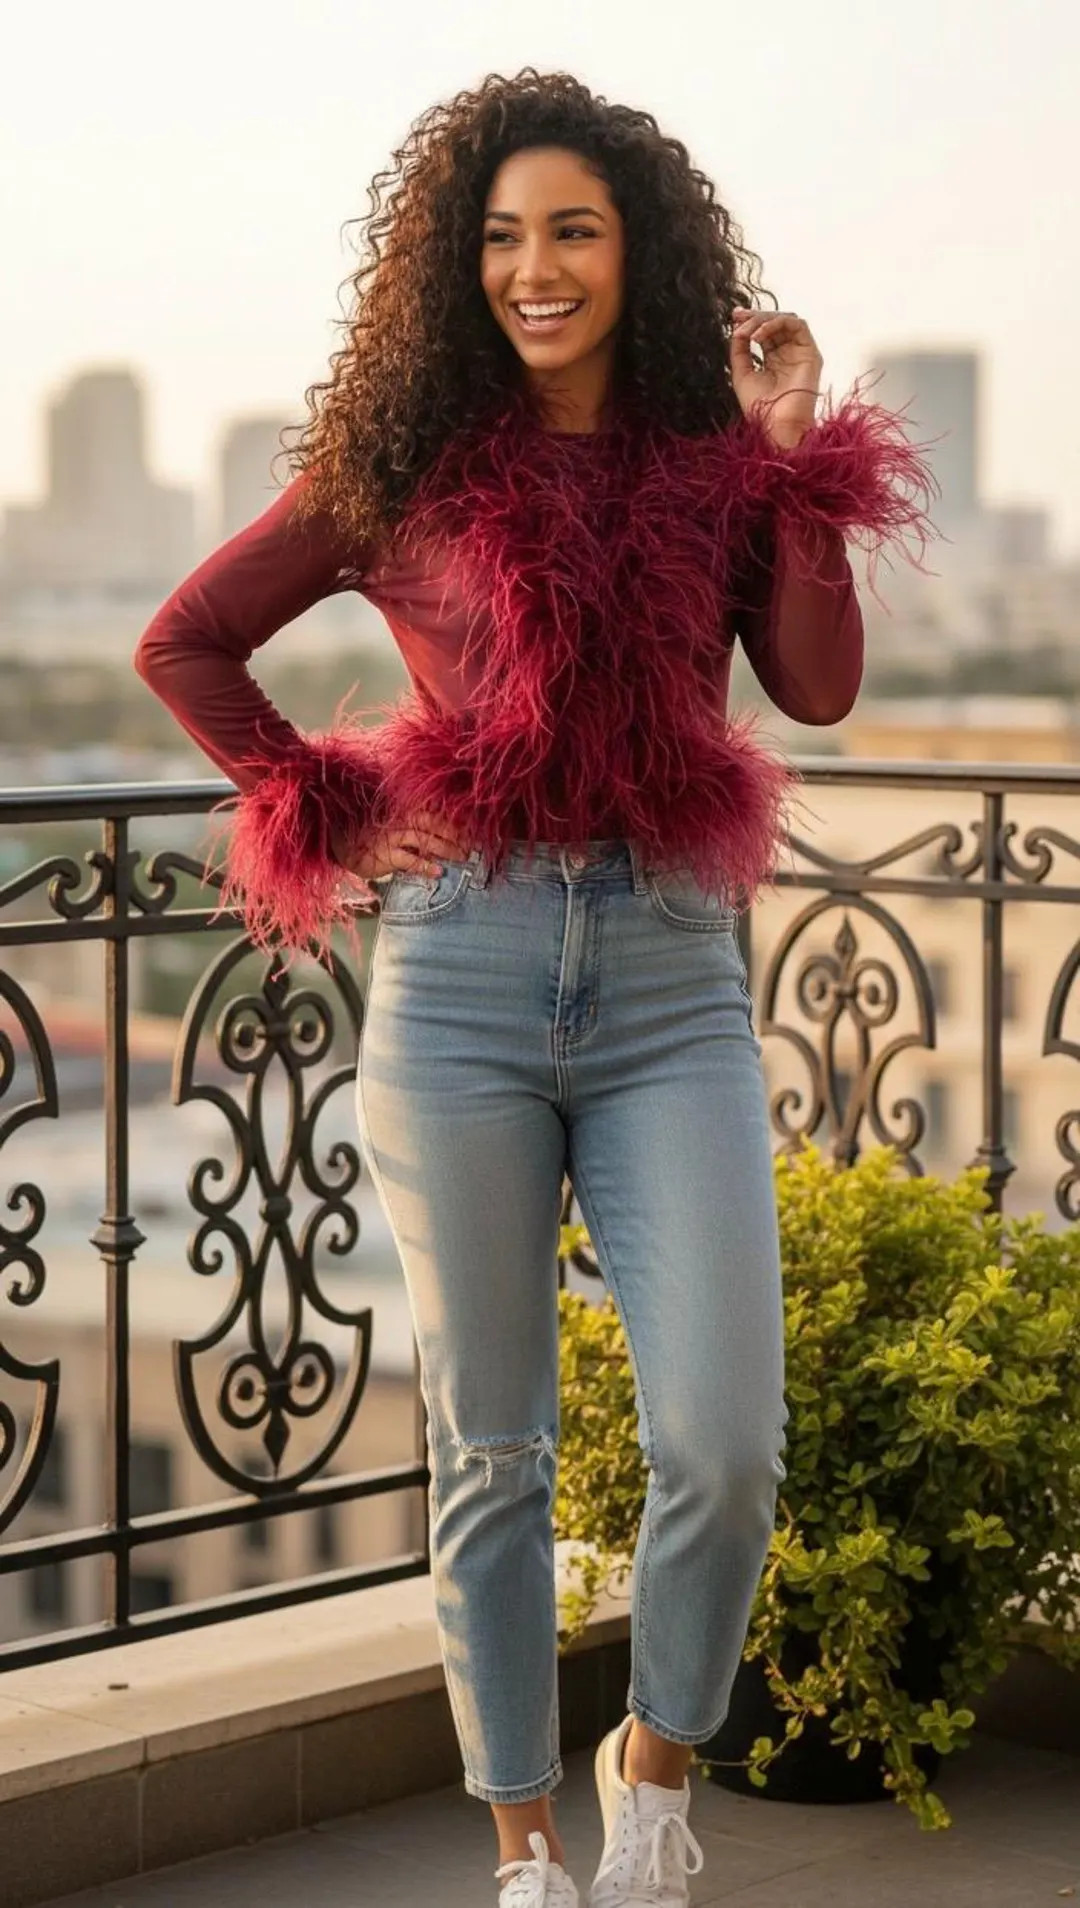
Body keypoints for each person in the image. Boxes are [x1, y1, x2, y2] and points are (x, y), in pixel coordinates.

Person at [134, 67, 937, 1908]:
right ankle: (524, 1845)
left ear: (637, 250)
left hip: (669, 977)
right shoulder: (406, 465)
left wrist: (792, 450)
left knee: (725, 1443)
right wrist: (335, 809)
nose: (536, 268)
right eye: (502, 237)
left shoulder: (712, 459)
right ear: (459, 262)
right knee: (492, 1445)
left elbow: (817, 689)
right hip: (462, 980)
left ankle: (654, 1762)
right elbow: (189, 640)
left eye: (573, 230)